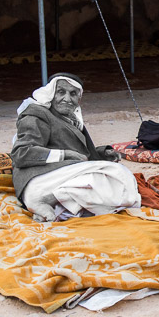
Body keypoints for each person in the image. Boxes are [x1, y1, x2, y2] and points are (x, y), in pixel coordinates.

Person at [11, 73, 140, 222]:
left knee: (118, 180)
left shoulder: (70, 118)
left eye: (73, 94)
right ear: (51, 94)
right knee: (116, 174)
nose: (67, 99)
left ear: (79, 99)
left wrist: (101, 153)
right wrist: (65, 154)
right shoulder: (37, 114)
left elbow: (74, 150)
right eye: (61, 92)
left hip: (57, 177)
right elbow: (22, 153)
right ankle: (43, 201)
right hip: (36, 180)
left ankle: (58, 209)